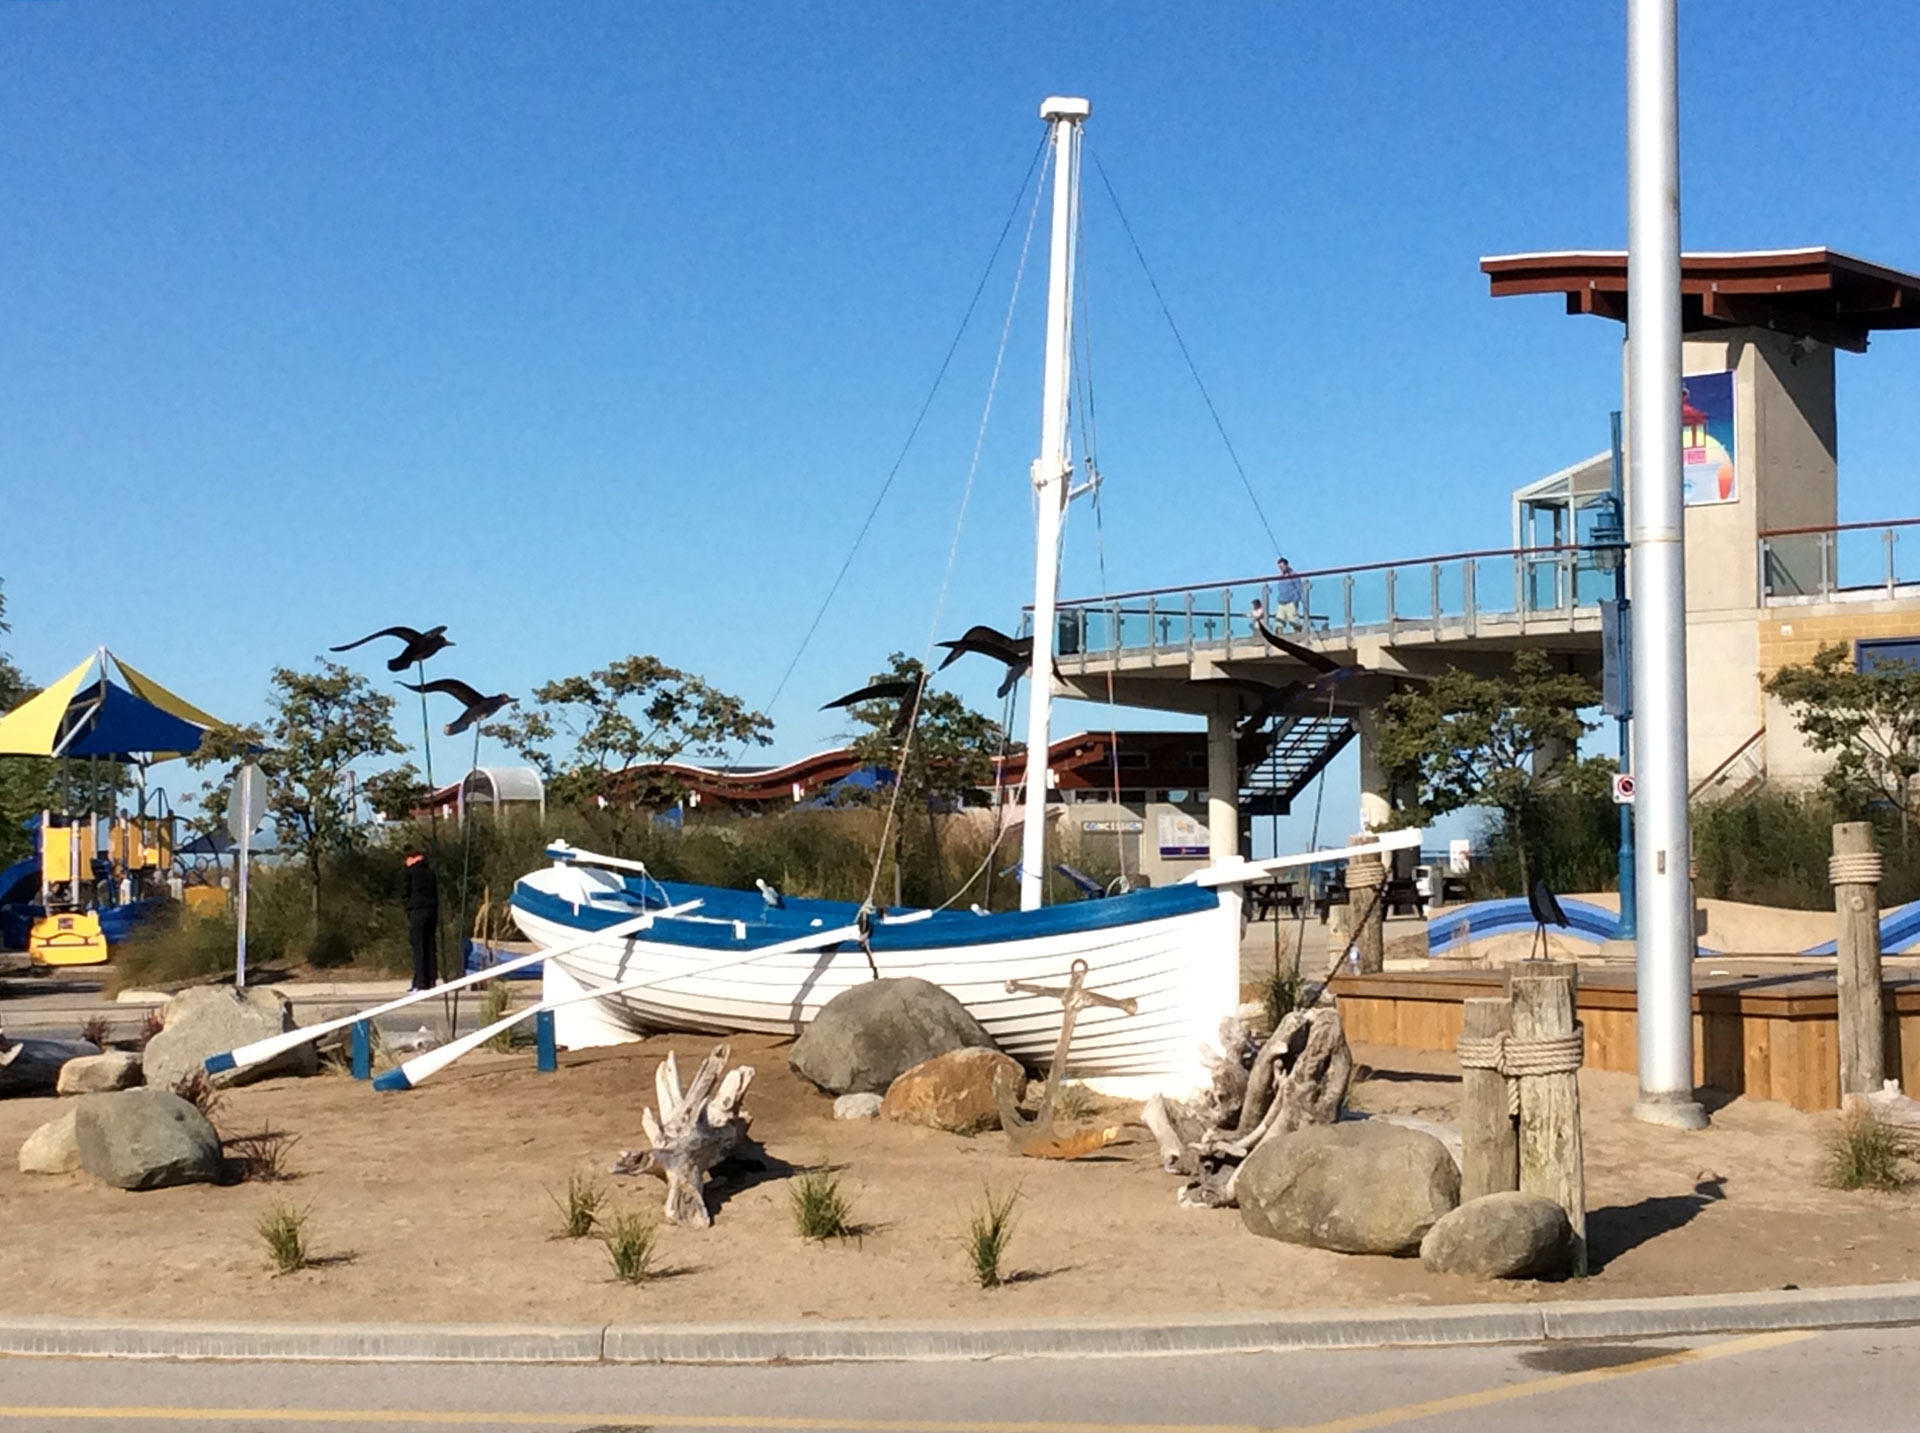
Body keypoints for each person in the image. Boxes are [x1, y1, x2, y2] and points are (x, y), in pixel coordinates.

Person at [401, 847, 440, 992]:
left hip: (417, 912)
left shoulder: (410, 873)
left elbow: (405, 893)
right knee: (430, 946)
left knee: (419, 948)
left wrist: (408, 909)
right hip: (432, 911)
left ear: (412, 858)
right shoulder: (431, 873)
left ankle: (420, 983)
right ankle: (431, 979)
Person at [1273, 556, 1304, 632]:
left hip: (1291, 601)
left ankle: (1298, 633)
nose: (1281, 568)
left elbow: (1299, 588)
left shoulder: (1294, 575)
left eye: (1282, 566)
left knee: (1293, 619)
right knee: (1279, 620)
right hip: (1282, 602)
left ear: (1286, 565)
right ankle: (1279, 636)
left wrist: (1295, 599)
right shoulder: (1280, 577)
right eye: (1279, 567)